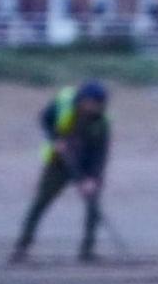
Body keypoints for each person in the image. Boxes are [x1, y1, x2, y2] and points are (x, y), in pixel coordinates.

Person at [11, 81, 111, 263]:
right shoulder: (63, 104)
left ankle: (87, 252)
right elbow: (44, 119)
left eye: (98, 105)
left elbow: (100, 154)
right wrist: (56, 139)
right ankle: (21, 248)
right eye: (91, 103)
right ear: (84, 99)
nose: (94, 108)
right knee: (40, 203)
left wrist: (92, 179)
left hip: (85, 166)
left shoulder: (102, 122)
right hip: (59, 163)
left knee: (93, 207)